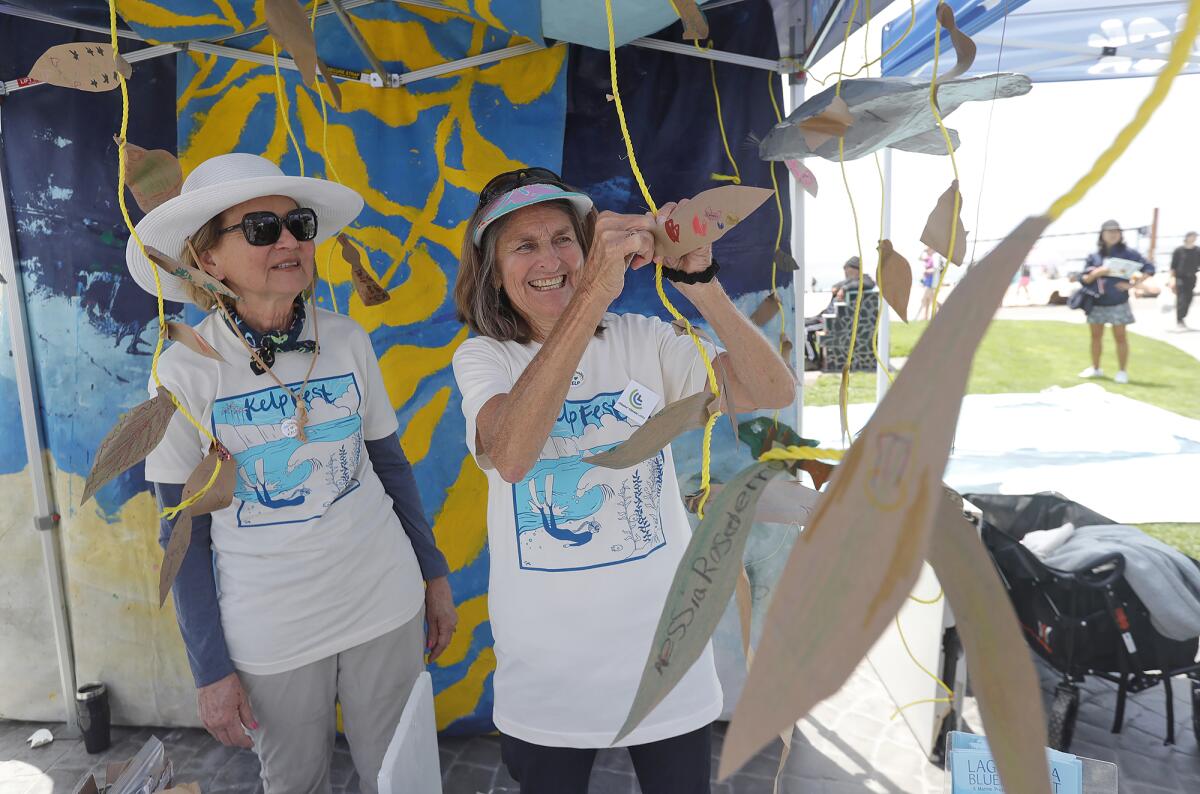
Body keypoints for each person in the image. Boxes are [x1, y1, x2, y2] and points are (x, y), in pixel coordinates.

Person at [450, 169, 795, 793]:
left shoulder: (642, 340)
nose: (550, 259)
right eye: (523, 246)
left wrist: (700, 283)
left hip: (665, 663)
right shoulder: (485, 358)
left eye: (563, 239)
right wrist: (590, 299)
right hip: (548, 677)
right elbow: (511, 456)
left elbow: (773, 390)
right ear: (493, 272)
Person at [127, 153, 457, 793]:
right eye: (259, 229)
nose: (289, 241)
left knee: (401, 778)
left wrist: (433, 573)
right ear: (208, 259)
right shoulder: (183, 373)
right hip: (272, 625)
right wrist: (209, 670)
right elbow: (180, 535)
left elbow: (389, 464)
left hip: (382, 598)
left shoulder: (347, 339)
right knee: (295, 782)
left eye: (298, 225)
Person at [1078, 219, 1154, 384]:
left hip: (1118, 302)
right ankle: (1096, 368)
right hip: (1097, 302)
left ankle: (1122, 372)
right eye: (1109, 232)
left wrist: (1132, 284)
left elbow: (1149, 268)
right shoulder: (1095, 255)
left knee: (1120, 337)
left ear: (1120, 234)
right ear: (1102, 234)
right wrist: (1099, 272)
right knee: (1095, 336)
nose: (1113, 235)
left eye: (1116, 232)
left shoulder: (1129, 253)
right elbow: (1084, 279)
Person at [1170, 231, 1199, 329]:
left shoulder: (1197, 250)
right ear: (1187, 237)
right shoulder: (1179, 250)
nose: (1193, 238)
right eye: (1192, 236)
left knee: (1189, 298)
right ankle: (1179, 319)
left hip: (1192, 278)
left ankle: (1183, 316)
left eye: (1195, 237)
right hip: (1180, 277)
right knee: (1181, 298)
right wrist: (1172, 279)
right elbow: (1173, 266)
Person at [918, 246, 938, 320]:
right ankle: (926, 317)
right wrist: (923, 251)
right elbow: (919, 258)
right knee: (928, 300)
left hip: (931, 281)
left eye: (929, 250)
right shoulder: (928, 258)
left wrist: (926, 271)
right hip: (927, 281)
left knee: (925, 299)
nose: (928, 252)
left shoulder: (933, 259)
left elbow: (935, 270)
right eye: (927, 251)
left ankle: (933, 314)